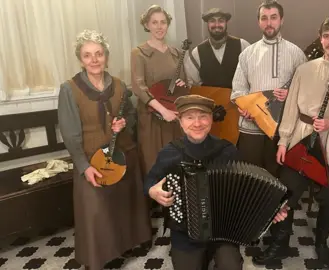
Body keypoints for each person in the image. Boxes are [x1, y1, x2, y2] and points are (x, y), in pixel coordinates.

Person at [252, 15, 329, 268]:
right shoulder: (304, 70)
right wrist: (284, 141)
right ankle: (280, 244)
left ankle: (321, 244)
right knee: (285, 194)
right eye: (326, 36)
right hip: (300, 141)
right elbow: (291, 108)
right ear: (321, 38)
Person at [145, 94, 289, 270]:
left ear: (211, 119)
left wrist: (270, 210)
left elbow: (245, 190)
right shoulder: (170, 152)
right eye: (190, 117)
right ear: (180, 121)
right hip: (185, 234)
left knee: (231, 266)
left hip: (224, 233)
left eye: (203, 116)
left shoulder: (227, 151)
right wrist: (153, 190)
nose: (197, 123)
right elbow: (150, 181)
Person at [57, 29, 152, 270]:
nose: (94, 60)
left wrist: (124, 123)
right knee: (97, 209)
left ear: (106, 57)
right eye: (88, 55)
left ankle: (133, 242)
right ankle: (102, 256)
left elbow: (131, 116)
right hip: (92, 159)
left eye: (99, 54)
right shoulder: (69, 89)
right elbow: (69, 133)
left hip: (123, 153)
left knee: (126, 202)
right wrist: (83, 166)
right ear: (80, 59)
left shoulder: (119, 85)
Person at [230, 0, 306, 177]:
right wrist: (245, 107)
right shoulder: (248, 53)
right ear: (258, 22)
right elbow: (238, 90)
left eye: (273, 17)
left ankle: (277, 206)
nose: (269, 23)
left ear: (281, 20)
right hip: (251, 127)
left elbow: (305, 92)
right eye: (264, 18)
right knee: (250, 177)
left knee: (276, 177)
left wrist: (289, 94)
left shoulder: (296, 54)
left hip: (281, 129)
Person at [131, 5, 188, 176]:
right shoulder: (139, 53)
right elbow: (138, 87)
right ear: (147, 25)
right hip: (152, 119)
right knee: (154, 162)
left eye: (163, 22)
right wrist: (163, 111)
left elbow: (184, 84)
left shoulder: (176, 53)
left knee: (176, 161)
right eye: (154, 22)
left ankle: (176, 200)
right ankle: (157, 201)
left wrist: (181, 84)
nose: (159, 26)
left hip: (173, 116)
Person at [184, 8, 250, 88]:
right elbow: (193, 86)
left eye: (221, 21)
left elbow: (252, 76)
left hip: (238, 99)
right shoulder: (197, 52)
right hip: (209, 100)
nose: (217, 25)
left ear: (226, 23)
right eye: (212, 21)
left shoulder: (243, 46)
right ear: (207, 24)